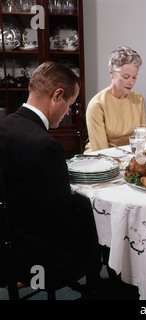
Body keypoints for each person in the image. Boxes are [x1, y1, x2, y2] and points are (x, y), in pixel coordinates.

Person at [0, 61, 101, 291]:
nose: (68, 113)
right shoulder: (46, 146)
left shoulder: (4, 126)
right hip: (36, 256)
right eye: (70, 105)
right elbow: (60, 219)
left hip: (6, 245)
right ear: (57, 95)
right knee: (94, 222)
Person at [85, 46, 146, 152]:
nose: (131, 82)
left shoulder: (138, 99)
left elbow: (143, 140)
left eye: (134, 77)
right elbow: (101, 150)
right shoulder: (97, 104)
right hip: (101, 157)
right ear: (112, 74)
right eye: (126, 77)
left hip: (129, 155)